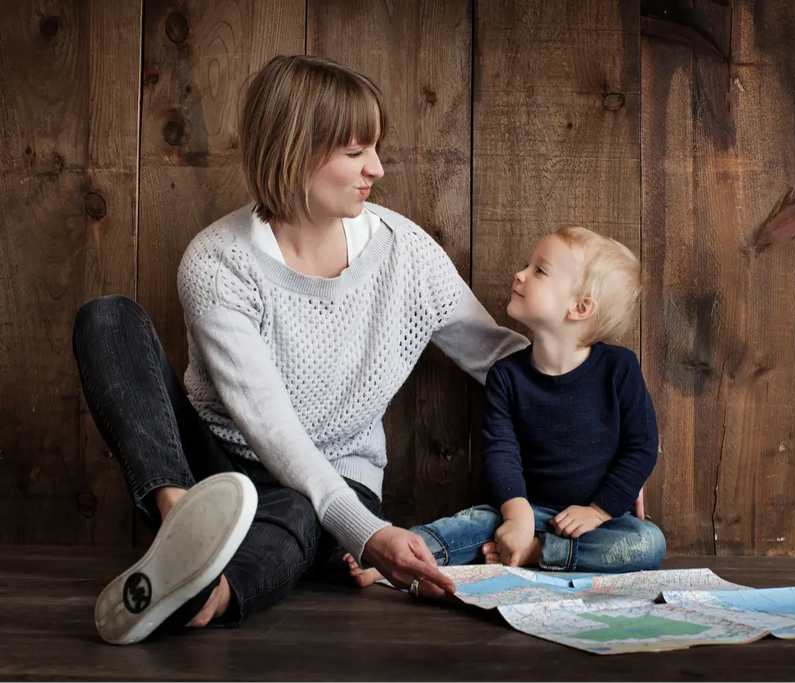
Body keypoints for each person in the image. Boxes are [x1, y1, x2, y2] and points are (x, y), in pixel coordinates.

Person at [71, 54, 528, 645]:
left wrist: (602, 427)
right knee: (108, 318)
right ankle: (182, 524)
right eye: (356, 151)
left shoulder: (404, 253)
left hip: (334, 480)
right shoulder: (217, 262)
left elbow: (499, 357)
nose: (378, 169)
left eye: (375, 148)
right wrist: (368, 537)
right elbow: (270, 426)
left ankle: (207, 593)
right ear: (295, 149)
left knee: (298, 511)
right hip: (213, 469)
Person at [347, 226, 664, 587]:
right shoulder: (508, 376)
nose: (520, 274)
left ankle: (537, 553)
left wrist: (599, 510)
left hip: (596, 522)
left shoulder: (618, 369)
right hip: (527, 508)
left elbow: (641, 446)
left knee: (647, 543)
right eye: (528, 266)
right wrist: (516, 514)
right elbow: (501, 451)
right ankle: (393, 558)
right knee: (471, 525)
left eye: (539, 271)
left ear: (580, 308)